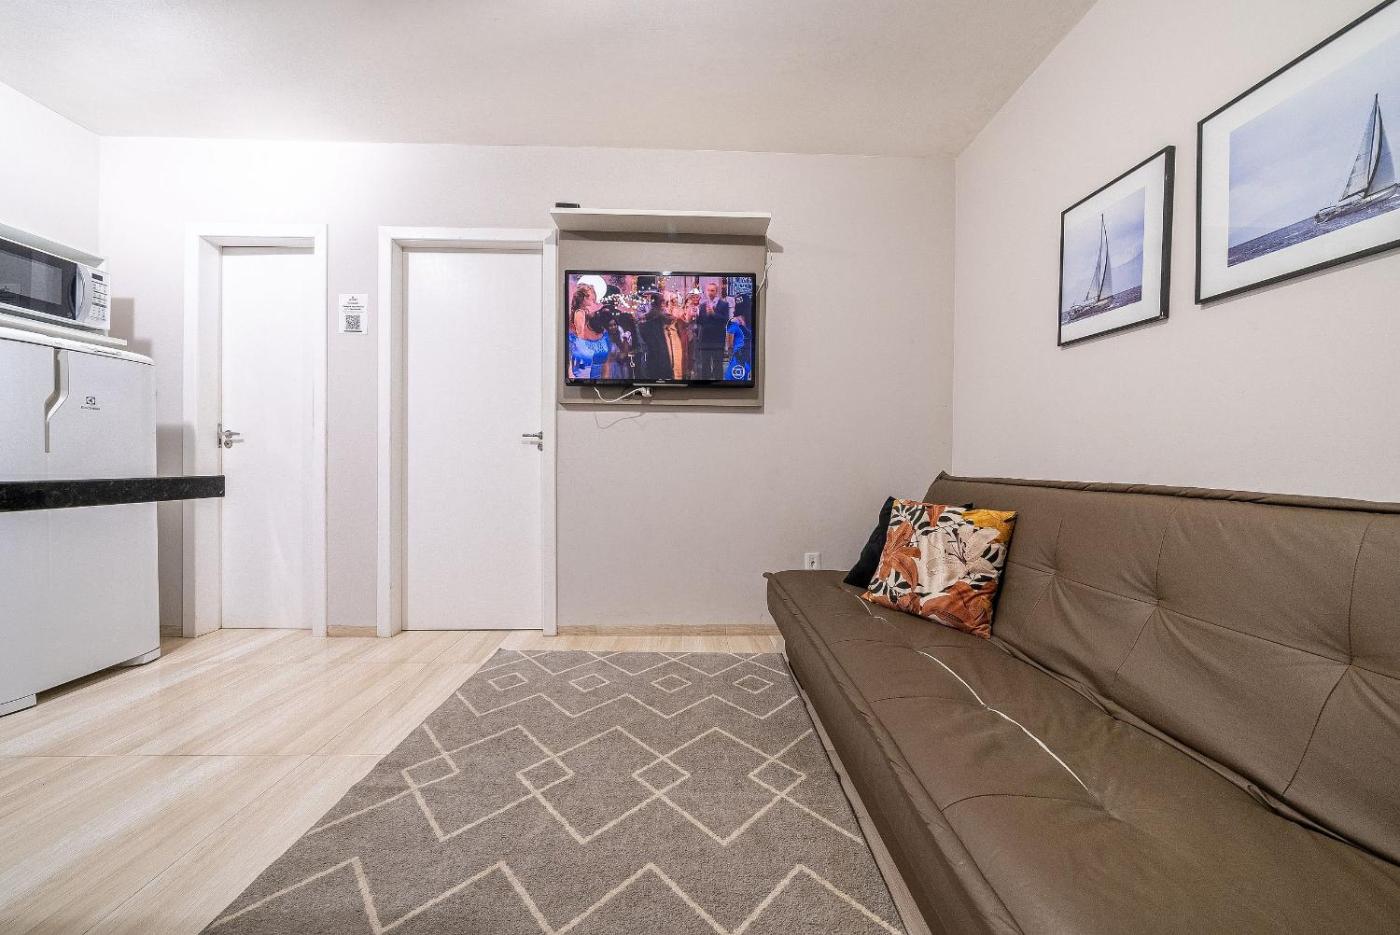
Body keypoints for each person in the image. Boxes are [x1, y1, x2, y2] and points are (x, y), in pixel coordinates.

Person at [567, 282, 610, 381]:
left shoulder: (585, 312)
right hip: (581, 358)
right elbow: (580, 336)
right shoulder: (580, 313)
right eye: (591, 296)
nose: (593, 299)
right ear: (583, 298)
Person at [692, 281, 730, 380]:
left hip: (718, 340)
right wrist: (696, 315)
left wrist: (714, 314)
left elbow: (726, 320)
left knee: (718, 366)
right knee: (705, 366)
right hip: (705, 340)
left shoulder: (724, 304)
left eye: (712, 290)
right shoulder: (702, 305)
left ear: (716, 292)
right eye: (708, 290)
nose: (710, 292)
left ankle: (718, 387)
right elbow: (700, 322)